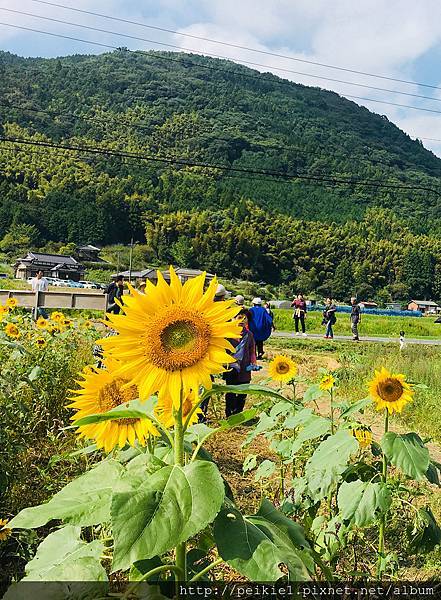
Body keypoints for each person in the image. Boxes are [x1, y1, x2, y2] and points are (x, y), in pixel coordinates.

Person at [224, 309, 258, 417]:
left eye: (245, 318)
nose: (242, 320)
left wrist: (254, 363)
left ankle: (239, 413)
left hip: (245, 368)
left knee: (243, 392)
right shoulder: (227, 334)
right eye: (238, 317)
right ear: (232, 319)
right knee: (231, 391)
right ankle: (229, 414)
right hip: (231, 368)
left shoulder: (249, 335)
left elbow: (252, 351)